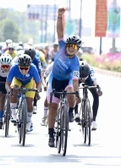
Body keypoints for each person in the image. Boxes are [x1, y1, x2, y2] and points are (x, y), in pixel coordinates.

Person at [47, 8, 82, 147]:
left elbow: (74, 80)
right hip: (54, 79)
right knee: (53, 107)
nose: (71, 48)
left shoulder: (75, 62)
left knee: (71, 93)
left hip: (66, 81)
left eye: (74, 46)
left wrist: (76, 92)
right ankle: (50, 134)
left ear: (77, 49)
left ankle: (71, 111)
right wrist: (59, 16)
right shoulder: (61, 46)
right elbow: (60, 32)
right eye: (70, 45)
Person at [5, 54, 41, 132]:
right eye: (21, 68)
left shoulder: (33, 68)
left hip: (29, 82)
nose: (24, 71)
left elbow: (39, 83)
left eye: (26, 68)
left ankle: (28, 121)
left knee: (29, 101)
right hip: (17, 81)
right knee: (14, 90)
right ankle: (13, 115)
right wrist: (9, 90)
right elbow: (7, 83)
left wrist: (37, 91)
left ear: (29, 67)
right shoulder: (14, 68)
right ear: (18, 66)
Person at [74, 60, 102, 131]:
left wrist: (99, 89)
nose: (83, 80)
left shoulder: (91, 72)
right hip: (77, 79)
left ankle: (94, 120)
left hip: (89, 80)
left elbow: (95, 82)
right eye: (82, 78)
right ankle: (76, 113)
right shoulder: (75, 70)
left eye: (84, 78)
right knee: (75, 93)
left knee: (96, 95)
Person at [40, 61, 54, 126]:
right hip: (52, 81)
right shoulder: (53, 64)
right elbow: (44, 76)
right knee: (47, 99)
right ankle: (45, 117)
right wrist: (45, 85)